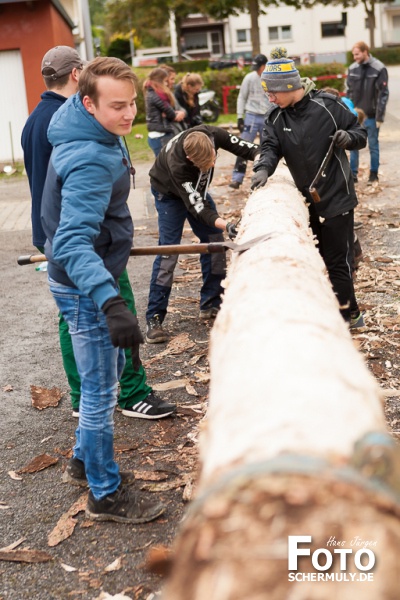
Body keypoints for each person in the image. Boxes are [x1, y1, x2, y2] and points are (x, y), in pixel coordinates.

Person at [40, 56, 171, 522]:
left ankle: (83, 462)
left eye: (132, 103)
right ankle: (105, 493)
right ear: (88, 102)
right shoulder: (92, 157)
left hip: (83, 274)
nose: (129, 114)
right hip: (83, 284)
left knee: (104, 378)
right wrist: (111, 301)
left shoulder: (79, 126)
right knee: (99, 392)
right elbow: (74, 241)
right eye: (117, 106)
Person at [21, 47, 172, 421]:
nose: (127, 112)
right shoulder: (67, 119)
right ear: (77, 76)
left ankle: (83, 397)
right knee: (109, 310)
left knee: (74, 317)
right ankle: (126, 393)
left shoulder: (44, 119)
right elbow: (65, 188)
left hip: (64, 232)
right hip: (80, 238)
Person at [252, 47, 367, 329]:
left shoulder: (327, 105)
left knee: (336, 260)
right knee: (315, 255)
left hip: (337, 195)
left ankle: (350, 315)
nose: (269, 97)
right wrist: (263, 168)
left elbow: (360, 133)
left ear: (289, 86)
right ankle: (327, 302)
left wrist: (348, 138)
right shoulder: (276, 118)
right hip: (306, 200)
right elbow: (269, 147)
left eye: (272, 92)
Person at [145, 126, 260, 343]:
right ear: (190, 158)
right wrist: (226, 224)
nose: (213, 165)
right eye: (206, 164)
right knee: (169, 251)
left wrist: (265, 159)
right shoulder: (179, 165)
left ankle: (211, 303)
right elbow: (198, 208)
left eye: (213, 158)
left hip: (197, 193)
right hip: (168, 194)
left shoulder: (213, 134)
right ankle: (155, 317)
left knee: (215, 242)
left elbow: (246, 148)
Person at [347, 41, 389, 185]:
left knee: (373, 145)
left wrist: (380, 116)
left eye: (357, 54)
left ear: (365, 52)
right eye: (353, 54)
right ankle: (353, 175)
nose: (355, 57)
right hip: (356, 117)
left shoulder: (379, 68)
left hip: (371, 116)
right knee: (353, 146)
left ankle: (373, 175)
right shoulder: (352, 69)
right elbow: (349, 92)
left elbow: (383, 94)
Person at [229, 54, 271, 189]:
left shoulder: (270, 78)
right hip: (251, 116)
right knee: (243, 147)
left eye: (259, 67)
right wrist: (240, 116)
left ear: (265, 66)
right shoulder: (249, 78)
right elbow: (241, 97)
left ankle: (263, 176)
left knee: (267, 147)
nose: (257, 70)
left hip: (267, 116)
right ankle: (237, 178)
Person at [144, 67, 186, 157]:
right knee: (166, 165)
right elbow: (171, 114)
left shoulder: (153, 94)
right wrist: (174, 114)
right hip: (160, 135)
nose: (166, 84)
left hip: (160, 134)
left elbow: (168, 112)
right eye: (165, 81)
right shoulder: (157, 96)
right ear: (160, 81)